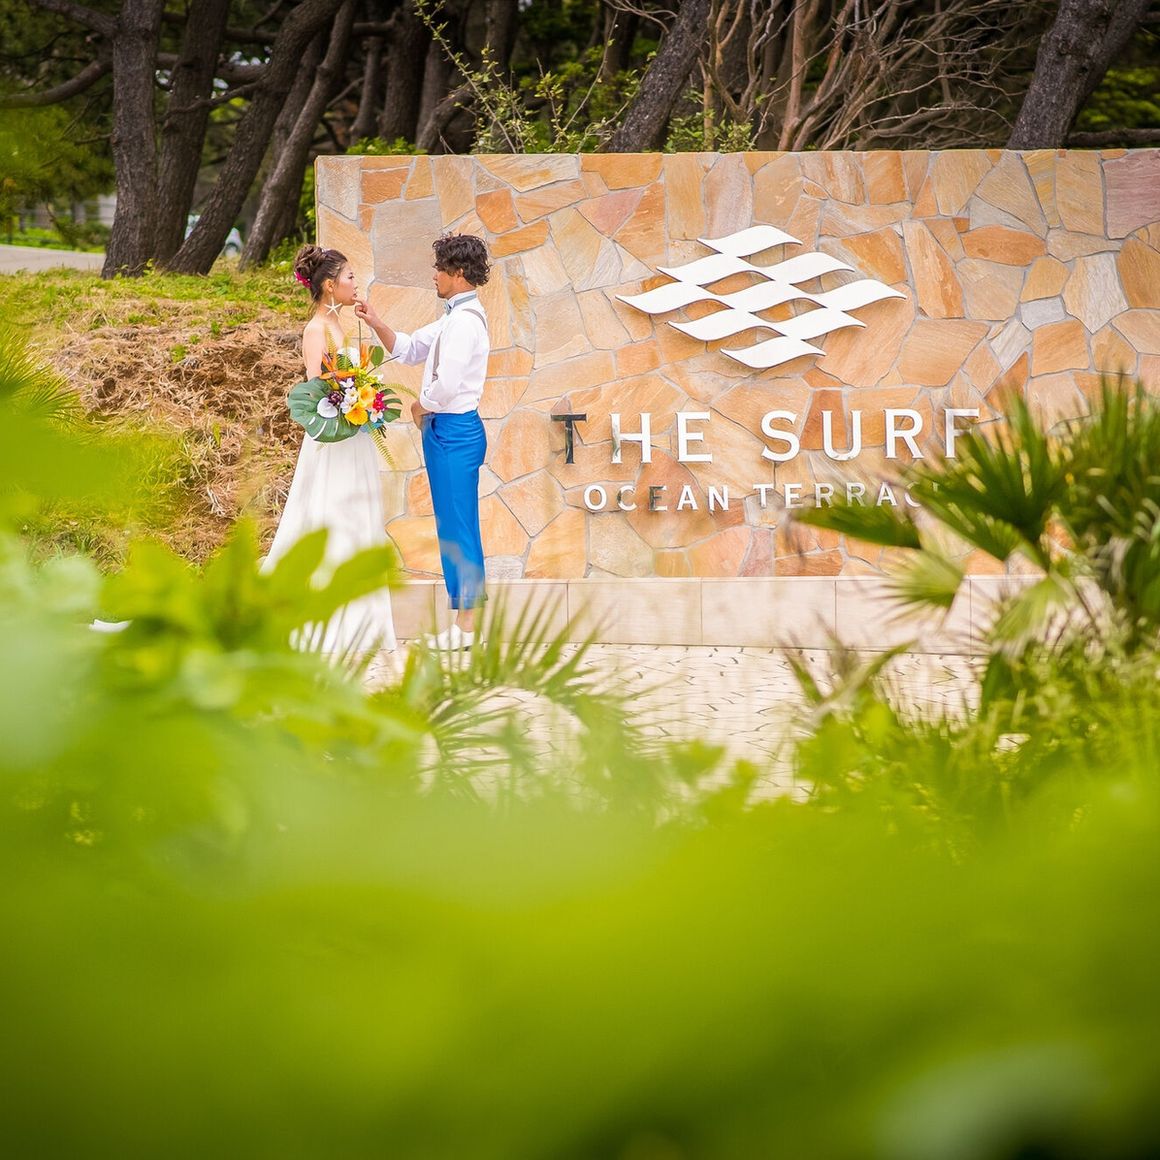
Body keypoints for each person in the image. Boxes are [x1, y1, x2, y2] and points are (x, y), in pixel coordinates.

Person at [356, 234, 490, 651]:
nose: (434, 276)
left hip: (454, 430)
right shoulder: (456, 316)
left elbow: (446, 385)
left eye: (439, 268)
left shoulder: (465, 322)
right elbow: (411, 348)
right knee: (453, 525)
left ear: (458, 272)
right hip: (448, 430)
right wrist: (376, 321)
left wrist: (420, 406)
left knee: (459, 526)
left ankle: (467, 628)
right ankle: (464, 625)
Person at [263, 244, 396, 658]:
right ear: (329, 285)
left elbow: (348, 376)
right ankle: (326, 620)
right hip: (333, 440)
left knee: (356, 516)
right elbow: (317, 390)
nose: (355, 283)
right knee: (332, 514)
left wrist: (367, 398)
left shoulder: (340, 322)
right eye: (350, 276)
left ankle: (361, 622)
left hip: (354, 436)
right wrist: (353, 398)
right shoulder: (316, 329)